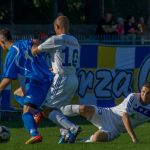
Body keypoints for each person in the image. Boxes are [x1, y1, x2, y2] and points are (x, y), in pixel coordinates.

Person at [16, 15, 81, 144]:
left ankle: (72, 128)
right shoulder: (74, 40)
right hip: (73, 78)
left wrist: (29, 44)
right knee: (56, 109)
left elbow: (35, 51)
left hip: (62, 78)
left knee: (46, 109)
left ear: (57, 27)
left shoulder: (56, 39)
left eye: (55, 28)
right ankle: (65, 134)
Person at [0, 28, 53, 144]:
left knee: (26, 114)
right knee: (17, 93)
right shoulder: (24, 42)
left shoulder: (12, 53)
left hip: (37, 81)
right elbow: (37, 43)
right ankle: (36, 112)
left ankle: (35, 134)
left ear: (1, 42)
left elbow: (8, 79)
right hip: (44, 78)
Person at [62, 82, 150, 143]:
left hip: (115, 130)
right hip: (108, 114)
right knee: (84, 108)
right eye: (143, 91)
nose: (144, 95)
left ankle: (78, 141)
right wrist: (134, 138)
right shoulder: (133, 97)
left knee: (97, 138)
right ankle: (58, 111)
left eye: (148, 93)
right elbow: (125, 116)